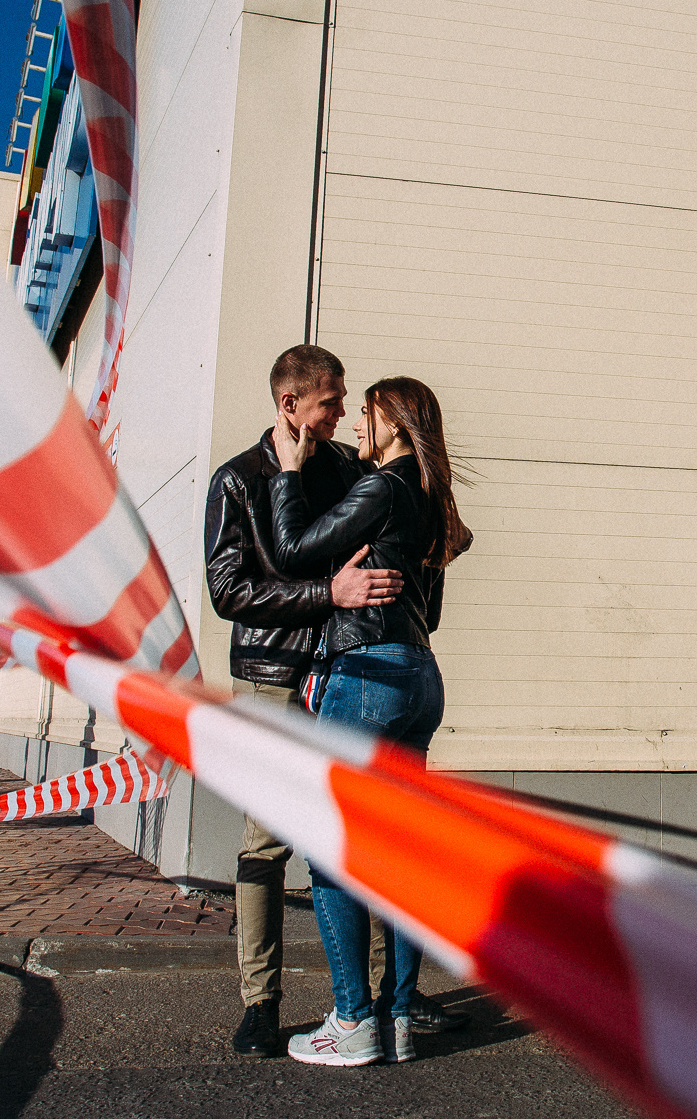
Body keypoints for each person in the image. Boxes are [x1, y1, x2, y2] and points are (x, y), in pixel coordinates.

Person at [205, 344, 450, 1059]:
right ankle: (262, 1000)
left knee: (367, 838)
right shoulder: (239, 481)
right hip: (278, 671)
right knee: (271, 837)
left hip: (351, 671)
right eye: (331, 402)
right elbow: (230, 591)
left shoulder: (353, 471)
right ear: (290, 407)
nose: (344, 414)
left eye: (349, 402)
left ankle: (384, 1004)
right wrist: (325, 594)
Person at [269, 375, 471, 1067]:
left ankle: (353, 1020)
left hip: (366, 676)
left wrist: (289, 474)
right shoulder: (427, 496)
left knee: (331, 848)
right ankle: (402, 1013)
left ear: (392, 421)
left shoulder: (383, 486)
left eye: (365, 412)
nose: (357, 422)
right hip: (418, 677)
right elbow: (431, 609)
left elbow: (294, 547)